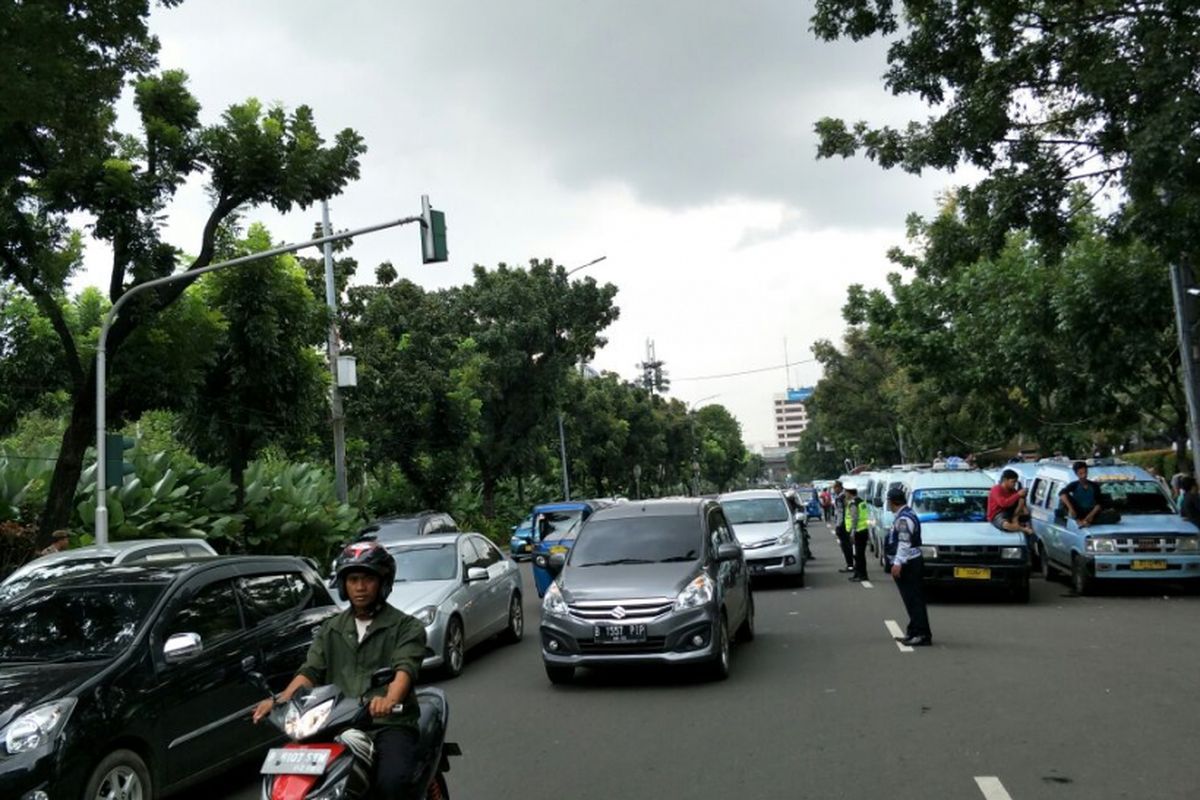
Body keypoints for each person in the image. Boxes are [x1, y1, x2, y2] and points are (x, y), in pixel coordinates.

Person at [254, 541, 427, 799]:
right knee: (297, 782)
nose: (359, 587)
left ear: (382, 582)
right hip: (334, 724)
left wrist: (389, 700)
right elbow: (310, 671)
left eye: (367, 579)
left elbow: (405, 668)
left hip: (386, 723)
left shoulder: (406, 627)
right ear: (344, 584)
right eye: (353, 579)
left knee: (392, 783)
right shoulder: (331, 628)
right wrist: (279, 700)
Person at [884, 487, 932, 647]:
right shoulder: (905, 515)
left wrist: (897, 563)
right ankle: (914, 631)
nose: (888, 505)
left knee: (914, 600)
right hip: (909, 561)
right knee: (911, 600)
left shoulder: (904, 519)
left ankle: (922, 634)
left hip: (909, 563)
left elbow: (904, 543)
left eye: (889, 501)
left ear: (893, 501)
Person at [1058, 461, 1104, 527]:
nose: (1084, 475)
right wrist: (1071, 509)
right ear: (1076, 474)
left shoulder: (1094, 486)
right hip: (1078, 512)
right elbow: (1062, 494)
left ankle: (1085, 521)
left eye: (1085, 472)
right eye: (1081, 473)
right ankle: (1078, 521)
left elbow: (1099, 504)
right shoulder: (1074, 485)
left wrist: (1088, 518)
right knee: (1064, 498)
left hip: (1091, 513)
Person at [987, 470, 1033, 534]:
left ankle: (1015, 521)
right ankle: (1022, 529)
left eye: (1015, 482)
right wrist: (1018, 494)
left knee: (1021, 500)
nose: (1014, 484)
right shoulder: (996, 489)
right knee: (1006, 525)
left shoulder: (1012, 490)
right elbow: (1003, 503)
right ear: (1005, 480)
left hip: (1010, 513)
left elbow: (1019, 502)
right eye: (1013, 482)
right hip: (997, 514)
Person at [844, 485, 870, 582]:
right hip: (863, 530)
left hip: (857, 532)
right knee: (859, 555)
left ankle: (862, 575)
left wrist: (852, 532)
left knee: (859, 555)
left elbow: (854, 518)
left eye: (846, 492)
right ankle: (858, 573)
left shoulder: (853, 504)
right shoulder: (861, 501)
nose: (845, 494)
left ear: (850, 493)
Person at [832, 481, 853, 572]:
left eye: (835, 488)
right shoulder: (845, 496)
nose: (834, 490)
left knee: (845, 546)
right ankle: (851, 565)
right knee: (848, 546)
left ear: (839, 487)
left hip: (843, 525)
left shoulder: (840, 498)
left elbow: (840, 513)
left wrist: (838, 525)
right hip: (847, 524)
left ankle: (850, 565)